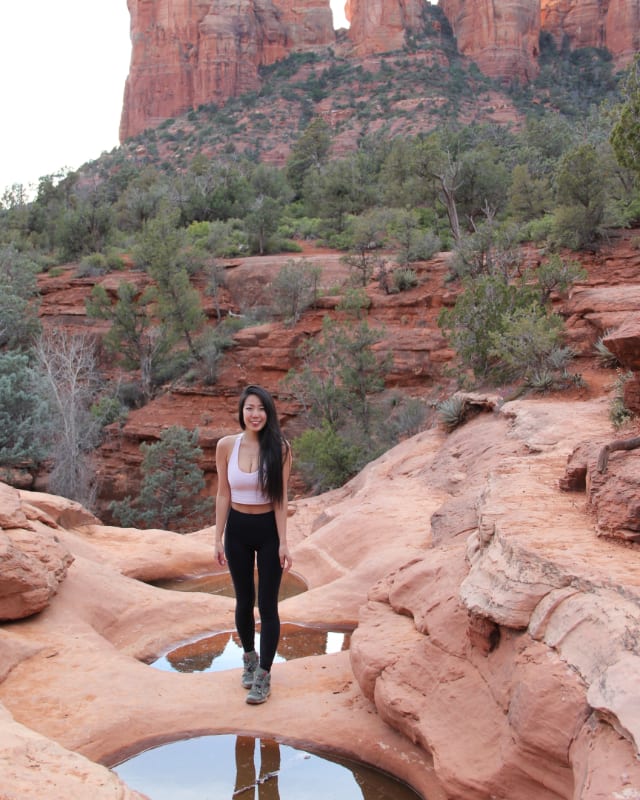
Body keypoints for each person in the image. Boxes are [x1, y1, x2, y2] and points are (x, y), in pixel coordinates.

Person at [214, 385, 292, 704]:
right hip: (237, 530)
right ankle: (249, 659)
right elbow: (223, 493)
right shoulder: (225, 446)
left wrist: (284, 542)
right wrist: (217, 537)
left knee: (268, 605)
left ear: (268, 412)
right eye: (249, 408)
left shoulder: (280, 448)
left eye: (260, 408)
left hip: (267, 531)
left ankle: (264, 675)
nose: (255, 414)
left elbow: (281, 499)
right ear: (242, 412)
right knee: (244, 601)